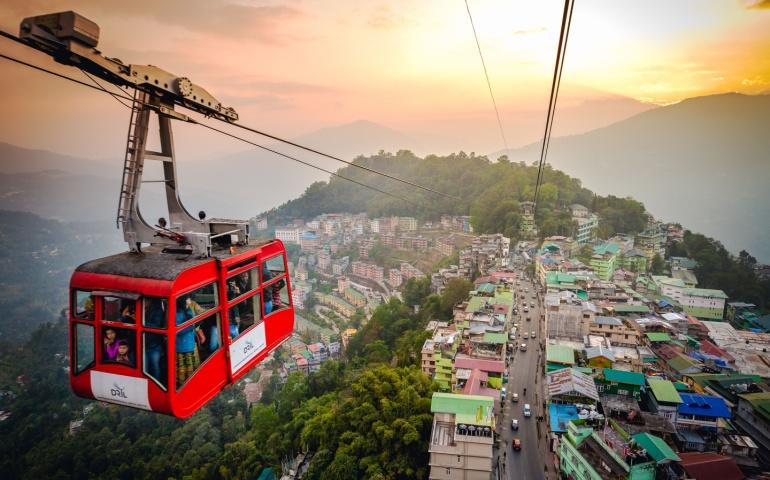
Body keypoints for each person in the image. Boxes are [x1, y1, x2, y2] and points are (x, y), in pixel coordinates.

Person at [175, 297, 200, 386]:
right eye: (188, 299)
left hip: (190, 343)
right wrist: (192, 326)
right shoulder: (176, 313)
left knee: (189, 369)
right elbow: (178, 331)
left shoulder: (188, 309)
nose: (190, 300)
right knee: (184, 370)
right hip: (182, 346)